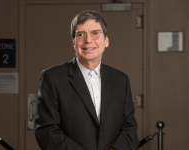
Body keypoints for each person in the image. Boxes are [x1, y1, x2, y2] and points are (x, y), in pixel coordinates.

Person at [34, 10, 139, 150]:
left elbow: (129, 128)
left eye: (95, 33)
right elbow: (46, 131)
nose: (88, 40)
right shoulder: (52, 77)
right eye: (80, 34)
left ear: (106, 41)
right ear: (73, 42)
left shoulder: (121, 80)